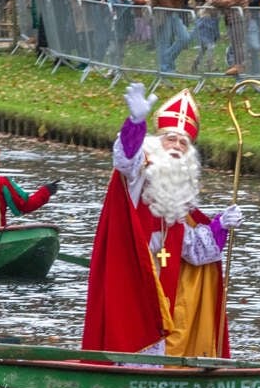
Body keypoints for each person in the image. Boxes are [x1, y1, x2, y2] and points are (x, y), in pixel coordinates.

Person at [82, 86, 241, 357]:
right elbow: (124, 160)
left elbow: (194, 249)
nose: (177, 146)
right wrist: (135, 123)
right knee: (133, 339)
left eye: (183, 143)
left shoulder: (177, 200)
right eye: (171, 139)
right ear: (157, 143)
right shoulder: (139, 177)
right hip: (132, 277)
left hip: (163, 287)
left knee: (159, 341)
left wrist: (221, 224)